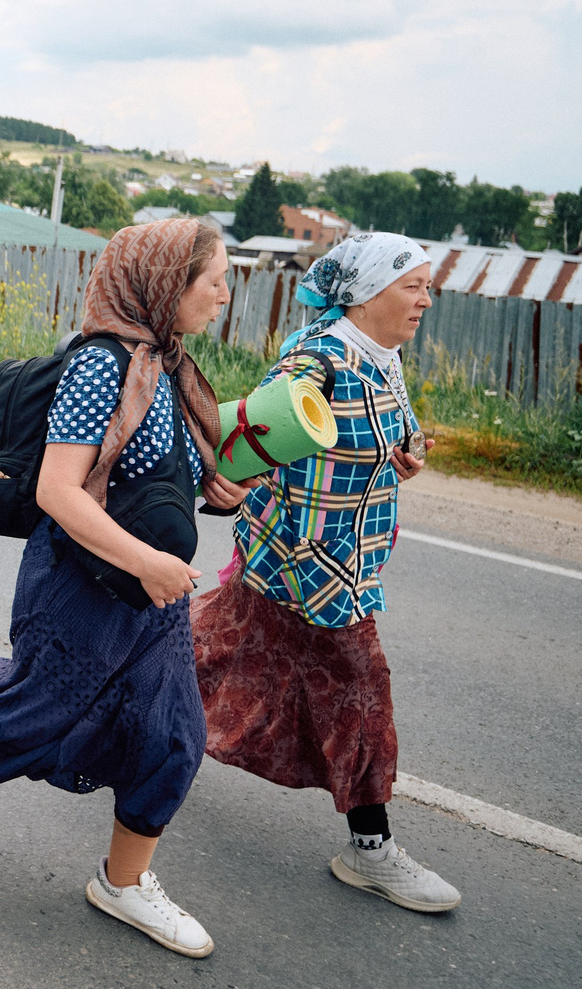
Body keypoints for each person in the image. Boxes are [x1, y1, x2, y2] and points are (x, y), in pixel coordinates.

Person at [0, 217, 255, 958]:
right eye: (214, 278)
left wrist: (223, 488)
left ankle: (124, 885)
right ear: (166, 283)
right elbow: (58, 491)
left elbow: (155, 478)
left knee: (171, 733)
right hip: (81, 585)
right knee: (34, 719)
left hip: (148, 594)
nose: (226, 294)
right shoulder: (103, 365)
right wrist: (145, 560)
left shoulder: (164, 365)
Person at [189, 233, 461, 914]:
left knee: (203, 656)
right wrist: (220, 477)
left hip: (332, 556)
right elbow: (250, 434)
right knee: (363, 689)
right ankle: (370, 850)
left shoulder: (381, 356)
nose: (426, 299)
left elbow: (388, 428)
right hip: (309, 565)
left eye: (429, 286)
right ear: (368, 292)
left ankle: (116, 702)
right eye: (413, 286)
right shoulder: (318, 356)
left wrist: (409, 451)